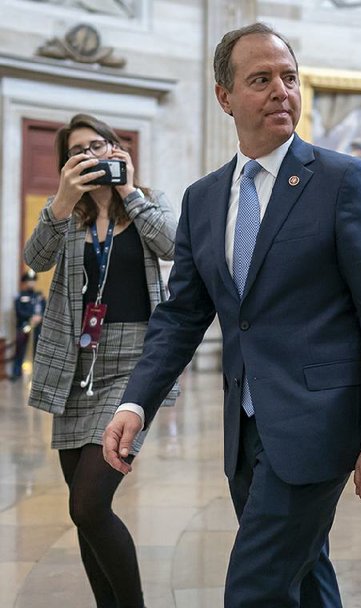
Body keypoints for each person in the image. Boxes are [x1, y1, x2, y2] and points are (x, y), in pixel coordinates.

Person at [102, 23, 361, 608]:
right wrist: (134, 402)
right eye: (261, 79)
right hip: (245, 434)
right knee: (307, 576)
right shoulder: (203, 198)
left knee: (254, 590)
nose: (281, 91)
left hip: (319, 424)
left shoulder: (343, 181)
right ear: (225, 97)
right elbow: (181, 315)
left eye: (289, 78)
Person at [23, 112, 178, 608]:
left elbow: (175, 244)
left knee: (91, 503)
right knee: (79, 509)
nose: (92, 156)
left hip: (134, 362)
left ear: (119, 149)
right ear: (67, 165)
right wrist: (63, 201)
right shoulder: (64, 213)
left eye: (100, 145)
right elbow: (36, 259)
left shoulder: (148, 201)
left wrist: (130, 192)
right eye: (78, 152)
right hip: (75, 362)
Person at [10, 270, 45, 380]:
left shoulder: (39, 296)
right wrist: (31, 317)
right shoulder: (20, 296)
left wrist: (40, 317)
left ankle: (37, 375)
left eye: (33, 281)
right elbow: (19, 311)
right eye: (29, 281)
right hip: (24, 327)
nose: (31, 283)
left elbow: (44, 309)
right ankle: (16, 373)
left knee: (37, 351)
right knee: (20, 350)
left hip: (37, 328)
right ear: (25, 282)